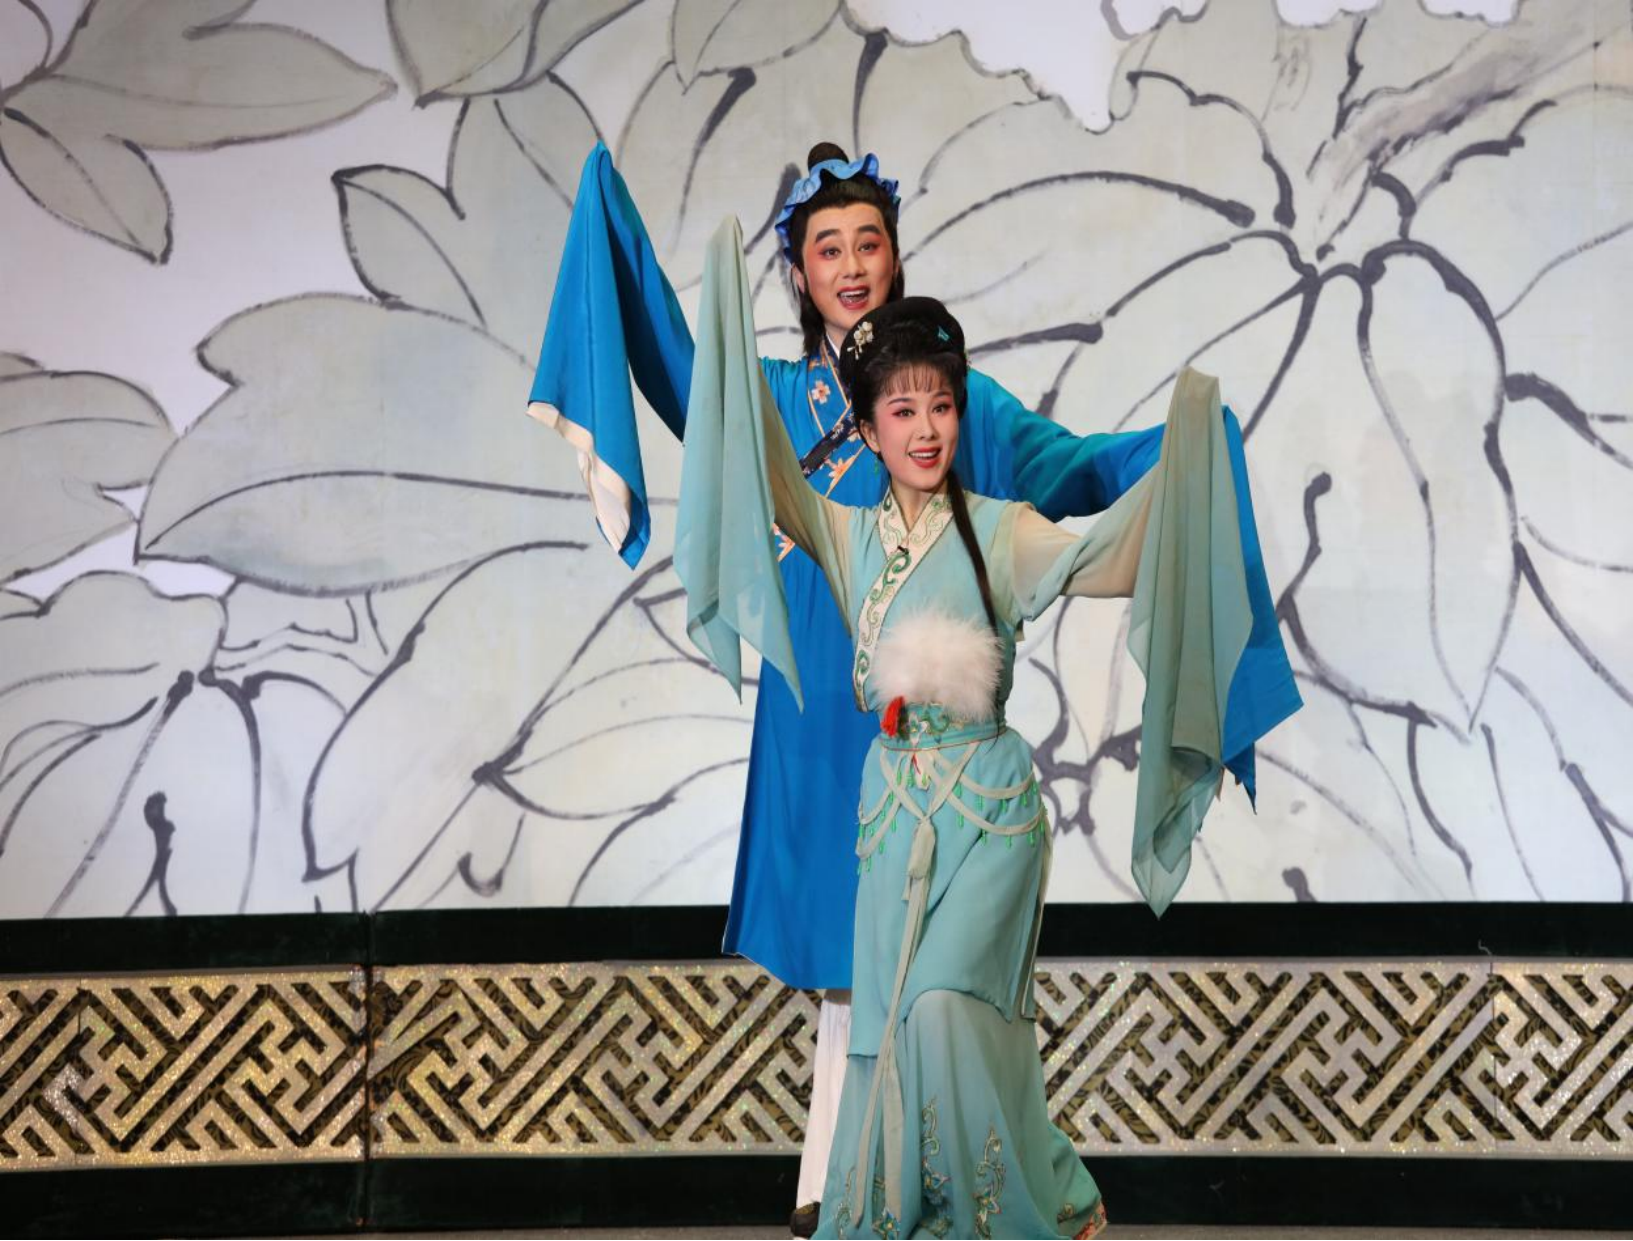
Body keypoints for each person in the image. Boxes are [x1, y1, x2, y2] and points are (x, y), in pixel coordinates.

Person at [530, 143, 1299, 1236]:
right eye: (826, 249)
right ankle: (845, 1180)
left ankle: (886, 1187)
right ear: (798, 271)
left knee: (928, 979)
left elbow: (1075, 468)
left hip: (955, 740)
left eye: (868, 244)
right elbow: (696, 387)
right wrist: (624, 251)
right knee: (850, 963)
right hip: (820, 712)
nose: (850, 265)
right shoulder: (777, 397)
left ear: (894, 257)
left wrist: (1173, 457)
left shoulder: (958, 399)